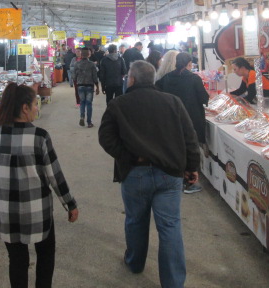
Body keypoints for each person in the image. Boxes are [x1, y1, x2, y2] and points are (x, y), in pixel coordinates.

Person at [99, 61, 199, 287]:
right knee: (170, 227)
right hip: (169, 173)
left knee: (135, 221)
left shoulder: (118, 104)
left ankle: (135, 263)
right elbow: (189, 137)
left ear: (132, 79)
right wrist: (192, 166)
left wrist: (126, 156)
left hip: (135, 173)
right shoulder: (173, 102)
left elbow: (105, 138)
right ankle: (173, 283)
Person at [0, 83, 78, 288]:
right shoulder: (39, 137)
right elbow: (55, 176)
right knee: (45, 254)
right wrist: (70, 204)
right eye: (35, 104)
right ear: (24, 108)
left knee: (17, 260)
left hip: (6, 212)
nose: (37, 107)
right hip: (37, 211)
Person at [156, 52, 210, 194]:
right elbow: (204, 98)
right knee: (191, 149)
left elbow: (157, 90)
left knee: (175, 149)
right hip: (191, 118)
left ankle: (175, 180)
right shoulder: (194, 79)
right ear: (189, 64)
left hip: (171, 119)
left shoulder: (167, 77)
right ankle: (190, 183)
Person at [73, 48, 100, 127]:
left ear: (81, 55)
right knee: (89, 103)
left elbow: (74, 77)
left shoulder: (76, 64)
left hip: (80, 85)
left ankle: (82, 116)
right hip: (89, 86)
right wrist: (97, 87)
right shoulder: (92, 64)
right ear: (88, 55)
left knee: (82, 102)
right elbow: (95, 77)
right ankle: (89, 122)